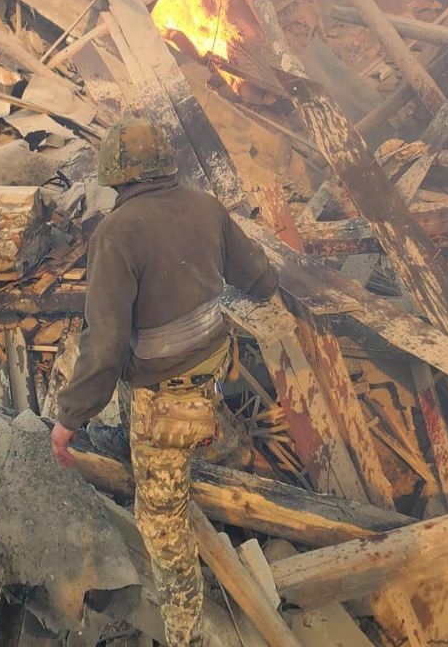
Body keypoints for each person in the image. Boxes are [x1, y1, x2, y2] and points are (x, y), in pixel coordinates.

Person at [51, 118, 278, 646]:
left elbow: (105, 345)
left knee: (162, 523)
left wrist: (68, 419)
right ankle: (207, 444)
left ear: (115, 174)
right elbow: (261, 280)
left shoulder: (116, 233)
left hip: (165, 398)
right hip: (212, 367)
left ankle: (184, 632)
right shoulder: (206, 207)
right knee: (174, 411)